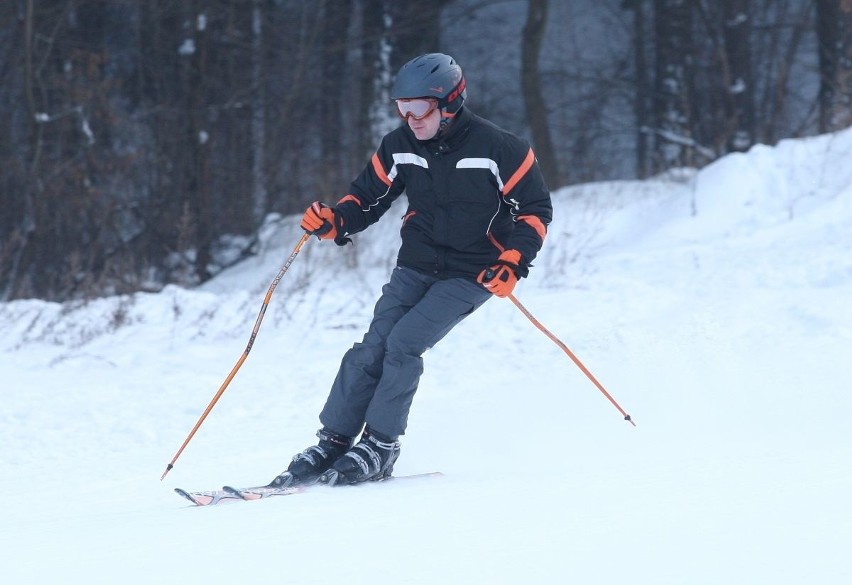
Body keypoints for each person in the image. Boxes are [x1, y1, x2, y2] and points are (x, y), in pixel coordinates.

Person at [272, 53, 552, 487]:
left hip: (472, 271)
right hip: (417, 263)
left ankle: (381, 446)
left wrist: (513, 260)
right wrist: (335, 221)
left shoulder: (501, 149)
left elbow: (534, 212)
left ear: (451, 103)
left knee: (403, 344)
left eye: (418, 110)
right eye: (401, 109)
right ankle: (334, 442)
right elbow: (367, 197)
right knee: (373, 346)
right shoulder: (400, 145)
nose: (410, 120)